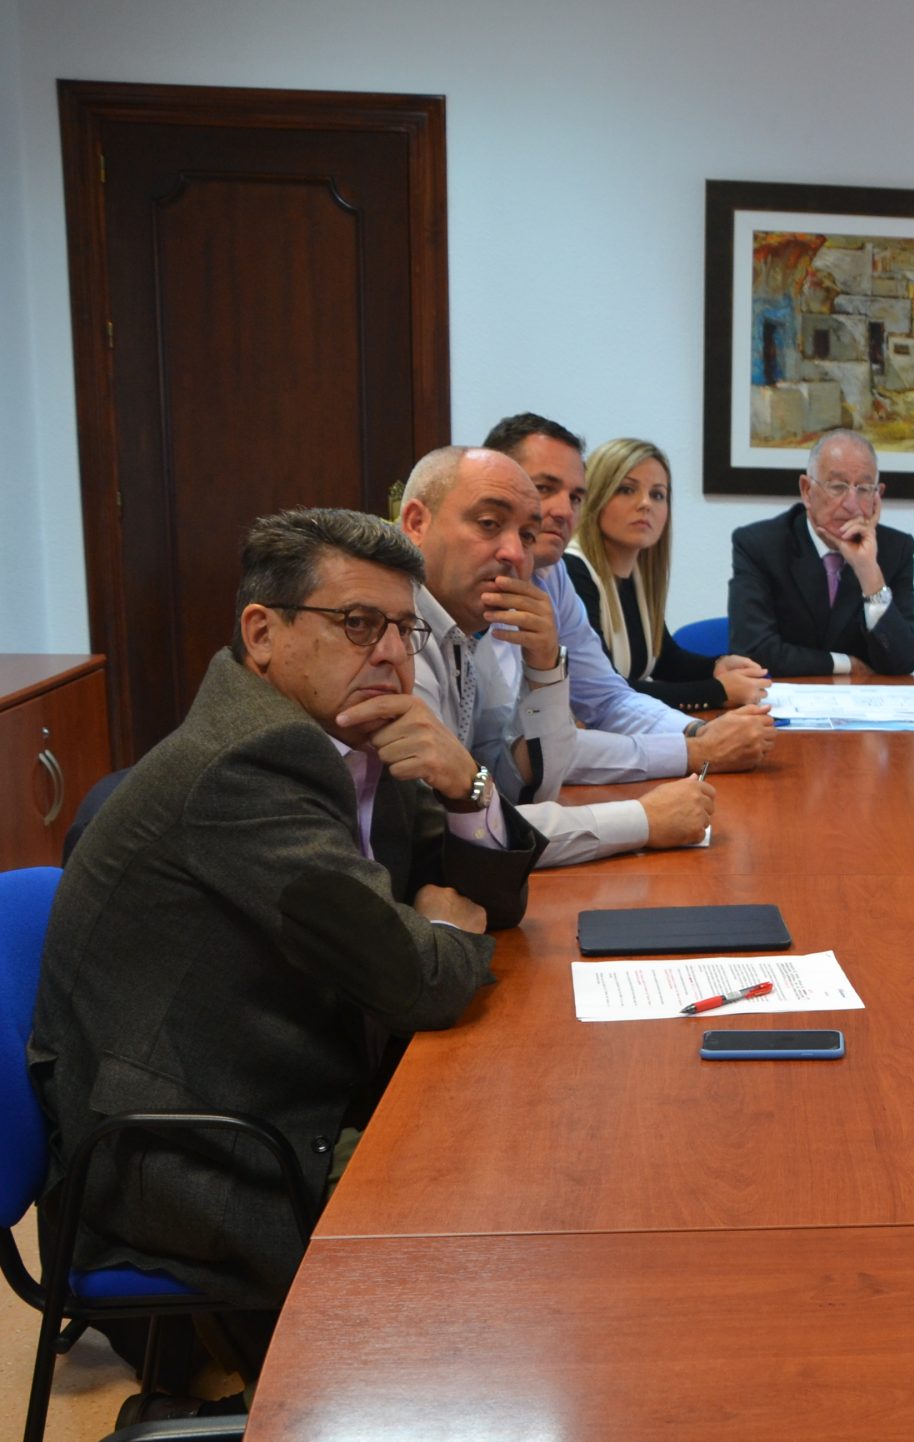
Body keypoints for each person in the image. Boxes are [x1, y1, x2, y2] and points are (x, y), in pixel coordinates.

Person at [30, 508, 540, 1333]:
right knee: (496, 1237)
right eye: (358, 623)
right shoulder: (251, 762)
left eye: (403, 628)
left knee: (518, 1137)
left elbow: (498, 908)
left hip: (285, 1074)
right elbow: (419, 979)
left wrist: (467, 785)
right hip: (193, 1148)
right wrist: (447, 931)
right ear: (262, 633)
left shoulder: (358, 731)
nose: (390, 652)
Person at [398, 446, 714, 867]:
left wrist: (544, 667)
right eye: (489, 523)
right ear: (416, 523)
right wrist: (642, 819)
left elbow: (517, 787)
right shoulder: (393, 635)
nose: (515, 553)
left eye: (527, 536)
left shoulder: (476, 625)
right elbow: (452, 835)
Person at [483, 413, 774, 781]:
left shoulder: (553, 575)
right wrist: (700, 738)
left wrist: (699, 731)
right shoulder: (570, 568)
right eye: (544, 488)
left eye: (575, 497)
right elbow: (512, 754)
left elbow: (608, 697)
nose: (563, 509)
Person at [568, 437, 770, 711]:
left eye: (657, 494)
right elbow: (605, 689)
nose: (645, 504)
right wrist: (718, 691)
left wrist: (717, 666)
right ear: (595, 497)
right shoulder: (573, 572)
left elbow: (665, 660)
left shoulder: (637, 574)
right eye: (627, 490)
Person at [728, 427, 914, 676]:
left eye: (864, 489)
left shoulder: (895, 549)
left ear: (877, 496)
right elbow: (752, 650)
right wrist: (845, 664)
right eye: (838, 486)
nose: (852, 504)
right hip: (783, 696)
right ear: (807, 490)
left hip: (863, 699)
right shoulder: (760, 545)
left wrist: (869, 573)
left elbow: (903, 662)